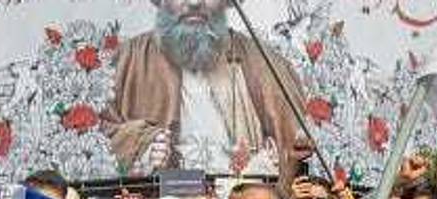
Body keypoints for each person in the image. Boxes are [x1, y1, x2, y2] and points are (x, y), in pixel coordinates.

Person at [103, 0, 306, 178]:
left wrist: (267, 165)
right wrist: (143, 143)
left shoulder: (264, 63)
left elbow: (295, 148)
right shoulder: (129, 60)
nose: (193, 2)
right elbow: (100, 133)